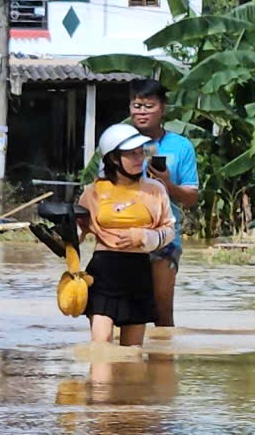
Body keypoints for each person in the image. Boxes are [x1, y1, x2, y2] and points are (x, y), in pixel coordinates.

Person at [76, 122, 175, 346]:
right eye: (131, 154)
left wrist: (142, 237)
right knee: (101, 345)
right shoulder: (93, 192)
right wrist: (61, 237)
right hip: (104, 272)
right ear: (113, 159)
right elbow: (79, 230)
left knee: (132, 353)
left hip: (138, 272)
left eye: (141, 153)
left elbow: (168, 230)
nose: (139, 159)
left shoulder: (155, 189)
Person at [123, 80, 198, 329]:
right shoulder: (119, 142)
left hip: (164, 237)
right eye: (137, 105)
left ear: (163, 108)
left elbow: (191, 197)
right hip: (122, 237)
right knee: (124, 312)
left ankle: (162, 365)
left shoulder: (181, 146)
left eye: (148, 106)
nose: (141, 111)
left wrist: (168, 185)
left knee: (162, 312)